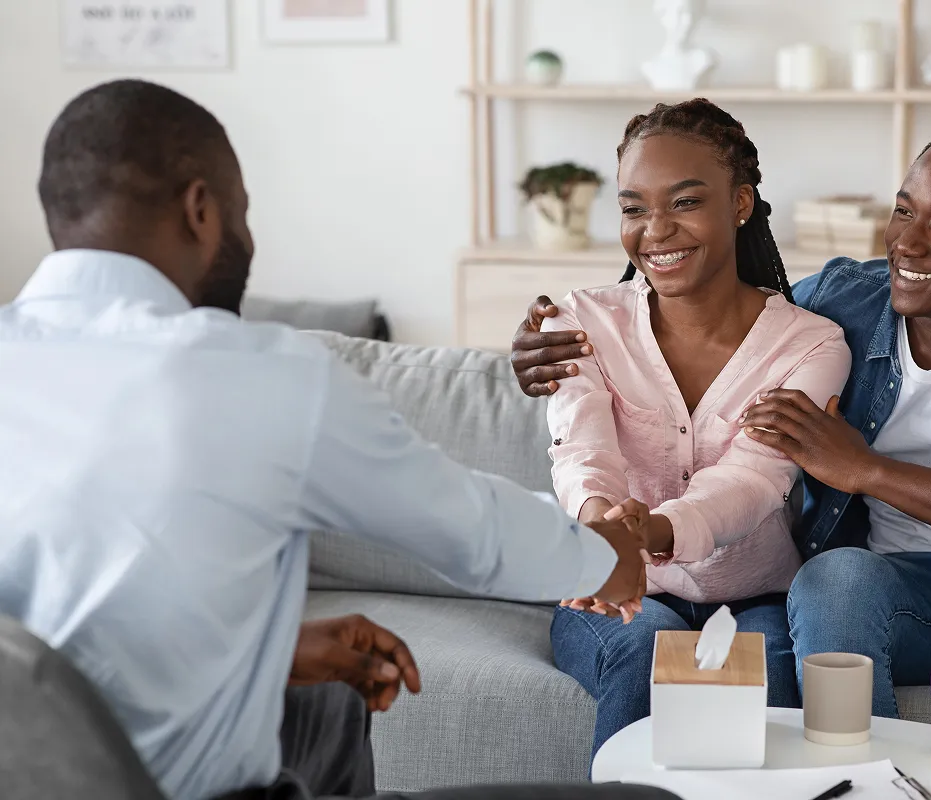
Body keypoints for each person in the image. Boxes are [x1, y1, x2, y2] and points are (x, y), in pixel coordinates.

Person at [0, 79, 680, 800]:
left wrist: (269, 653)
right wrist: (605, 558)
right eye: (242, 214)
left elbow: (56, 622)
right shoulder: (249, 373)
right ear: (201, 209)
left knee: (323, 713)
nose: (249, 241)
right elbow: (467, 529)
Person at [509, 119, 931, 800]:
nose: (906, 242)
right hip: (895, 592)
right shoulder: (845, 301)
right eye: (903, 211)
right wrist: (544, 354)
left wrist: (866, 470)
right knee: (833, 580)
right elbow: (722, 309)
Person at [542, 98, 851, 760]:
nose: (655, 230)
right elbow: (582, 451)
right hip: (614, 587)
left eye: (684, 203)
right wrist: (604, 531)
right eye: (633, 208)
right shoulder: (580, 322)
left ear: (740, 203)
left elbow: (754, 479)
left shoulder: (810, 344)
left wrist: (646, 533)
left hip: (755, 597)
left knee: (770, 683)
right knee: (641, 650)